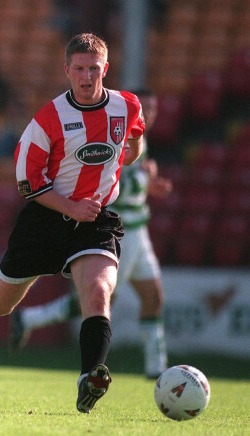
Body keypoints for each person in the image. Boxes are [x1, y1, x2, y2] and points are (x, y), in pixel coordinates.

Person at [0, 33, 145, 414]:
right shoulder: (47, 120)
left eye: (94, 68)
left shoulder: (126, 106)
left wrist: (114, 173)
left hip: (96, 220)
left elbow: (133, 143)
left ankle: (90, 377)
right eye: (79, 69)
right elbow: (29, 185)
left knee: (99, 292)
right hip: (47, 218)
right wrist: (72, 207)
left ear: (106, 68)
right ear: (67, 71)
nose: (87, 76)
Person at [9, 88, 172, 379]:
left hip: (140, 229)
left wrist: (149, 186)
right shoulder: (113, 131)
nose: (148, 114)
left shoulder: (139, 138)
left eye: (153, 109)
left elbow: (132, 178)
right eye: (144, 107)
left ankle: (156, 368)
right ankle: (30, 318)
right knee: (100, 299)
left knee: (153, 297)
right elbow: (107, 180)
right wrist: (142, 182)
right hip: (121, 228)